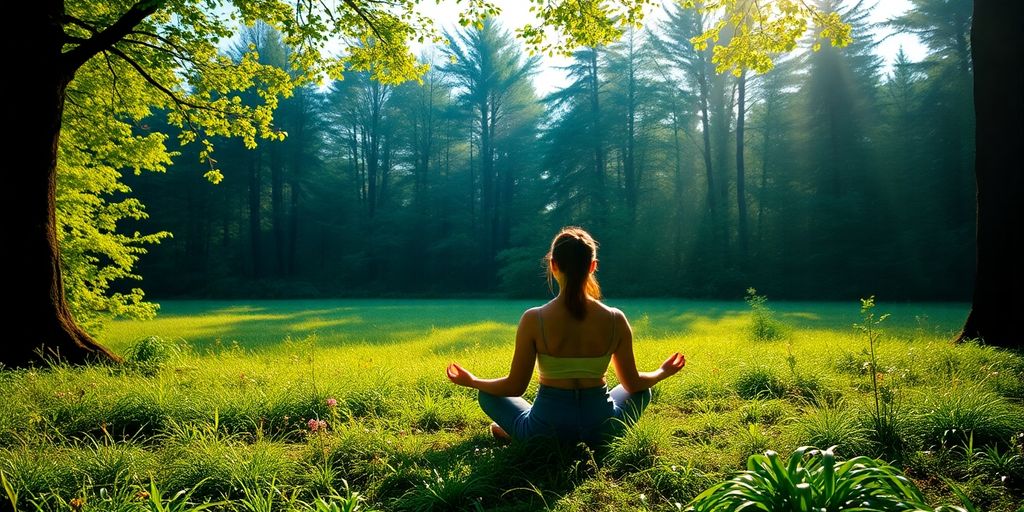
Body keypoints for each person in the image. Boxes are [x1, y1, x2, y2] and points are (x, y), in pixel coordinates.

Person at [444, 227, 685, 445]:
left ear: (553, 265)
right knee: (643, 390)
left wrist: (472, 380)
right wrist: (662, 372)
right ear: (592, 266)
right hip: (602, 430)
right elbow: (633, 384)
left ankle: (517, 430)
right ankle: (547, 431)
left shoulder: (534, 318)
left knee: (487, 393)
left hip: (544, 432)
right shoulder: (615, 319)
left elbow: (515, 385)